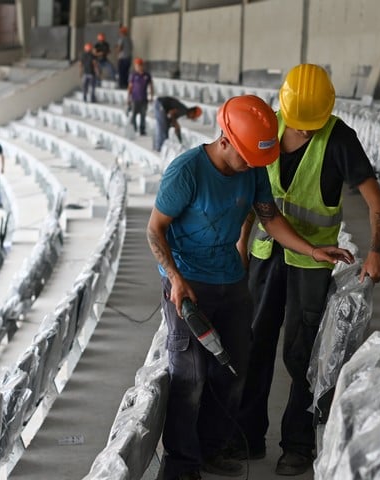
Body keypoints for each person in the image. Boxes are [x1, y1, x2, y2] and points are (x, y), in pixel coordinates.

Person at [146, 95, 353, 480]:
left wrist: (311, 249)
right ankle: (181, 466)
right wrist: (174, 279)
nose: (251, 166)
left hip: (231, 283)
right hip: (189, 286)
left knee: (233, 371)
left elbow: (270, 218)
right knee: (190, 378)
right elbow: (154, 229)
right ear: (224, 140)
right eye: (244, 157)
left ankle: (211, 450)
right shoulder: (186, 172)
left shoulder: (253, 169)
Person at [231, 64, 380, 476]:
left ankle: (297, 445)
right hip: (266, 254)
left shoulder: (339, 139)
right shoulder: (270, 124)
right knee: (255, 343)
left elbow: (376, 202)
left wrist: (377, 250)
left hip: (311, 263)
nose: (300, 132)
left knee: (301, 355)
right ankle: (246, 435)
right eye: (296, 124)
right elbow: (255, 188)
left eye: (307, 126)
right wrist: (242, 240)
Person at [127, 57, 153, 135]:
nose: (137, 67)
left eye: (138, 65)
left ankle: (142, 129)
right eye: (136, 66)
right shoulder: (133, 75)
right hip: (135, 98)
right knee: (134, 115)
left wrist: (151, 96)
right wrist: (128, 97)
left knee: (143, 115)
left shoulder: (147, 75)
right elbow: (130, 86)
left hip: (144, 98)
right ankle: (134, 129)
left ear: (142, 66)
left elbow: (151, 86)